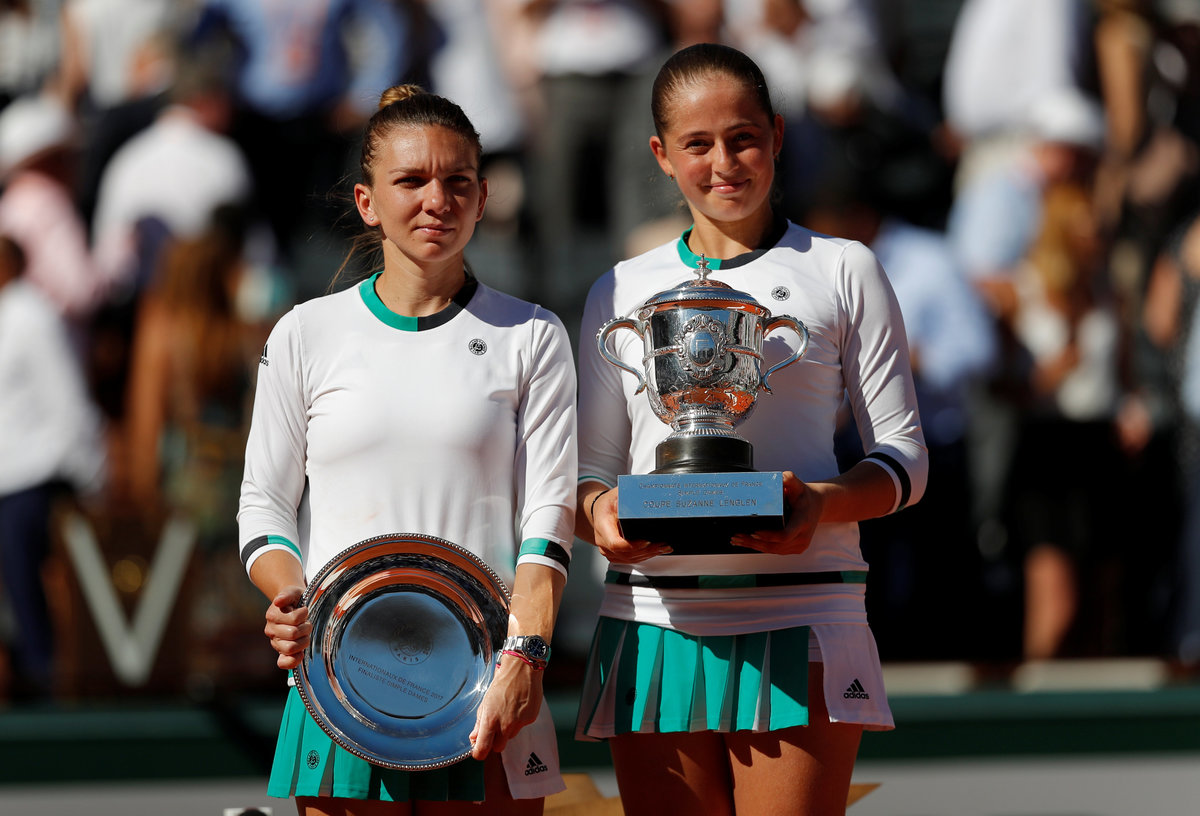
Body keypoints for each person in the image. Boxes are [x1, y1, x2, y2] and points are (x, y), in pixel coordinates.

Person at [574, 43, 928, 816]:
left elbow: (904, 461)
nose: (724, 163)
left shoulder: (843, 268)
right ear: (662, 156)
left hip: (805, 612)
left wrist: (818, 505)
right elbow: (587, 475)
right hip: (654, 621)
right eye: (698, 144)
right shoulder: (621, 287)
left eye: (743, 139)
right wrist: (601, 516)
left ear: (776, 135)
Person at [237, 85, 577, 813]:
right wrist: (290, 597)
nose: (436, 201)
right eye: (411, 180)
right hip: (340, 681)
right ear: (367, 201)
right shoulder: (303, 333)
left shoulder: (534, 336)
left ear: (482, 198)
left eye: (458, 181)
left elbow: (548, 521)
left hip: (488, 683)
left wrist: (527, 654)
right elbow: (263, 504)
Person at [0, 233, 107, 699]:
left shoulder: (31, 315)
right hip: (13, 480)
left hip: (32, 480)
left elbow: (66, 399)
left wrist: (90, 478)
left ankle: (45, 681)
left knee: (29, 592)